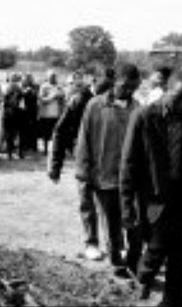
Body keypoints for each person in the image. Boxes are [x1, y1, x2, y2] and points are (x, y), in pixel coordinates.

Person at [120, 69, 182, 306]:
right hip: (154, 197)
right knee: (157, 246)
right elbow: (128, 164)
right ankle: (140, 284)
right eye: (181, 97)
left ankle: (172, 301)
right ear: (168, 90)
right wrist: (127, 206)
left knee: (180, 256)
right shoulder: (145, 116)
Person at [75, 63, 141, 276]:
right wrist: (85, 172)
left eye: (134, 86)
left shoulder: (137, 109)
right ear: (115, 82)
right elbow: (84, 141)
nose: (129, 90)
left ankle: (133, 260)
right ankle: (116, 261)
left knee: (133, 221)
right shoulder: (95, 106)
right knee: (111, 222)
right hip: (103, 175)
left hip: (130, 178)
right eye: (125, 85)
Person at [48, 67, 115, 261]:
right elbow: (59, 131)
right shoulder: (78, 100)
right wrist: (55, 165)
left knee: (109, 202)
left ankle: (114, 245)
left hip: (107, 157)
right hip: (84, 156)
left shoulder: (114, 101)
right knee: (87, 200)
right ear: (94, 81)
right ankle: (91, 243)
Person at [38, 70, 65, 155]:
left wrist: (61, 97)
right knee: (46, 133)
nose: (53, 78)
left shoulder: (59, 86)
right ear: (48, 77)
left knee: (56, 132)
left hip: (56, 114)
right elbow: (42, 99)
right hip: (46, 114)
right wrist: (52, 97)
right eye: (51, 77)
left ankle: (54, 149)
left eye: (54, 76)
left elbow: (63, 98)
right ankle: (45, 150)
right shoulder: (44, 86)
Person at [3, 72, 25, 159]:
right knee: (10, 134)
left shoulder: (19, 88)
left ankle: (19, 152)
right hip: (9, 113)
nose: (15, 81)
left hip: (17, 113)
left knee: (18, 133)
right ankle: (10, 153)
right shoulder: (6, 88)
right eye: (13, 79)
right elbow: (5, 100)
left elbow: (22, 101)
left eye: (16, 79)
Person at [21, 73, 39, 153]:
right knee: (25, 127)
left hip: (33, 108)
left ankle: (33, 146)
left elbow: (38, 95)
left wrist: (32, 91)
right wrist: (25, 91)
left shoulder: (36, 86)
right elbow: (21, 95)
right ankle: (25, 145)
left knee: (34, 127)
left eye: (30, 78)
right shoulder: (22, 86)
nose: (28, 79)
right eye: (27, 78)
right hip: (24, 109)